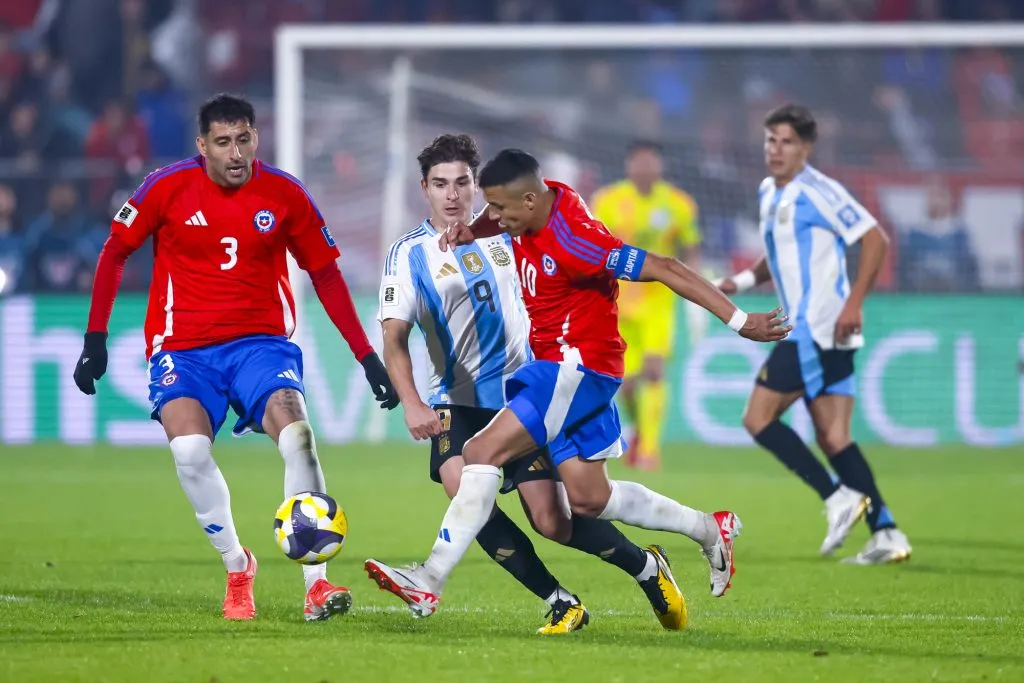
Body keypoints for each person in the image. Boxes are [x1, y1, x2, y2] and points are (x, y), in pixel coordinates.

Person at [364, 148, 790, 622]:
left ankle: (430, 580)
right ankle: (710, 529)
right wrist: (474, 229)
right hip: (560, 369)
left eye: (499, 210)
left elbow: (668, 267)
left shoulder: (577, 241)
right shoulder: (530, 209)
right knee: (589, 499)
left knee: (480, 455)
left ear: (527, 200)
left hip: (574, 368)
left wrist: (740, 320)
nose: (493, 218)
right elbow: (493, 217)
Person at [72, 94, 400, 621]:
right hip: (184, 347)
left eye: (244, 139)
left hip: (260, 345)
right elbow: (115, 252)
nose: (235, 153)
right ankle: (237, 565)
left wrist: (365, 356)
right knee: (189, 453)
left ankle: (315, 584)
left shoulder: (285, 193)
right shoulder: (165, 186)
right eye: (222, 142)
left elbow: (326, 274)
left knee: (298, 435)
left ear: (256, 139)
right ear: (202, 146)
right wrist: (95, 339)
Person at [717, 104, 912, 564]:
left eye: (786, 142)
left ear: (805, 148)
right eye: (770, 140)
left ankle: (837, 497)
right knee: (834, 436)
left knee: (757, 418)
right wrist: (739, 283)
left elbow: (875, 239)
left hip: (817, 327)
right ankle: (886, 532)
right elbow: (775, 256)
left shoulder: (819, 191)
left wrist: (853, 303)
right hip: (818, 331)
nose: (776, 149)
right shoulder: (770, 191)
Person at [591, 140, 704, 470]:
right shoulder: (608, 201)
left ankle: (649, 451)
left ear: (660, 166)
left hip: (659, 301)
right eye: (639, 161)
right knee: (625, 384)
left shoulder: (679, 204)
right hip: (619, 301)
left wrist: (696, 287)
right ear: (629, 165)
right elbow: (594, 246)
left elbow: (691, 246)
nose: (644, 168)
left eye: (650, 161)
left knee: (655, 371)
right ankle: (640, 430)